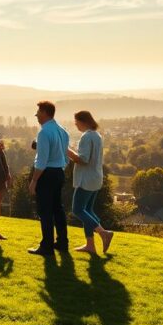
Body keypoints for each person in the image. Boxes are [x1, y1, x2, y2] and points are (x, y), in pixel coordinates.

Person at [67, 110, 114, 254]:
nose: (76, 125)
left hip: (86, 180)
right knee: (88, 211)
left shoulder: (86, 137)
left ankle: (103, 233)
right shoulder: (97, 135)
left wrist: (66, 150)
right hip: (95, 178)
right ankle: (90, 245)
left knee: (78, 210)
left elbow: (83, 159)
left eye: (76, 122)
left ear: (83, 121)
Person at [28, 100, 70, 256]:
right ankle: (62, 243)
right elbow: (65, 155)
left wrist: (34, 181)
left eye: (38, 112)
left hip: (47, 174)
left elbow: (42, 161)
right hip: (59, 172)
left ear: (45, 112)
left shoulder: (44, 132)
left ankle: (46, 246)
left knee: (45, 211)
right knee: (58, 209)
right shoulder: (62, 130)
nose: (36, 115)